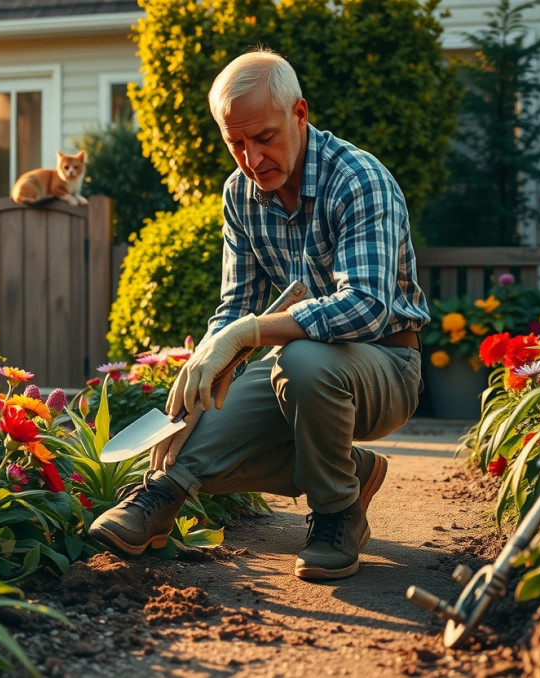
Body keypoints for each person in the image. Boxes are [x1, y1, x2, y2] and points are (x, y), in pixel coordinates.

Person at [88, 48, 429, 580]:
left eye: (264, 137)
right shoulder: (239, 195)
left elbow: (366, 306)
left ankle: (337, 514)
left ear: (300, 114)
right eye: (236, 143)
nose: (251, 158)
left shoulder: (359, 179)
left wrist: (251, 332)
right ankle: (161, 497)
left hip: (384, 367)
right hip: (295, 368)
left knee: (303, 359)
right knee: (190, 440)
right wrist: (208, 365)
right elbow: (236, 304)